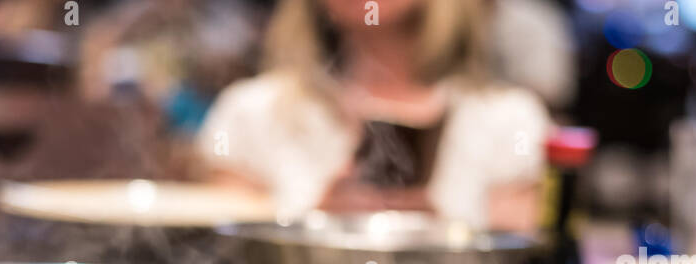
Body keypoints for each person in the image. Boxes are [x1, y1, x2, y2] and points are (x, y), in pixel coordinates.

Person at [196, 0, 550, 229]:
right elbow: (228, 258)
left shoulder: (509, 123)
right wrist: (316, 230)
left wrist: (439, 242)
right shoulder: (252, 114)